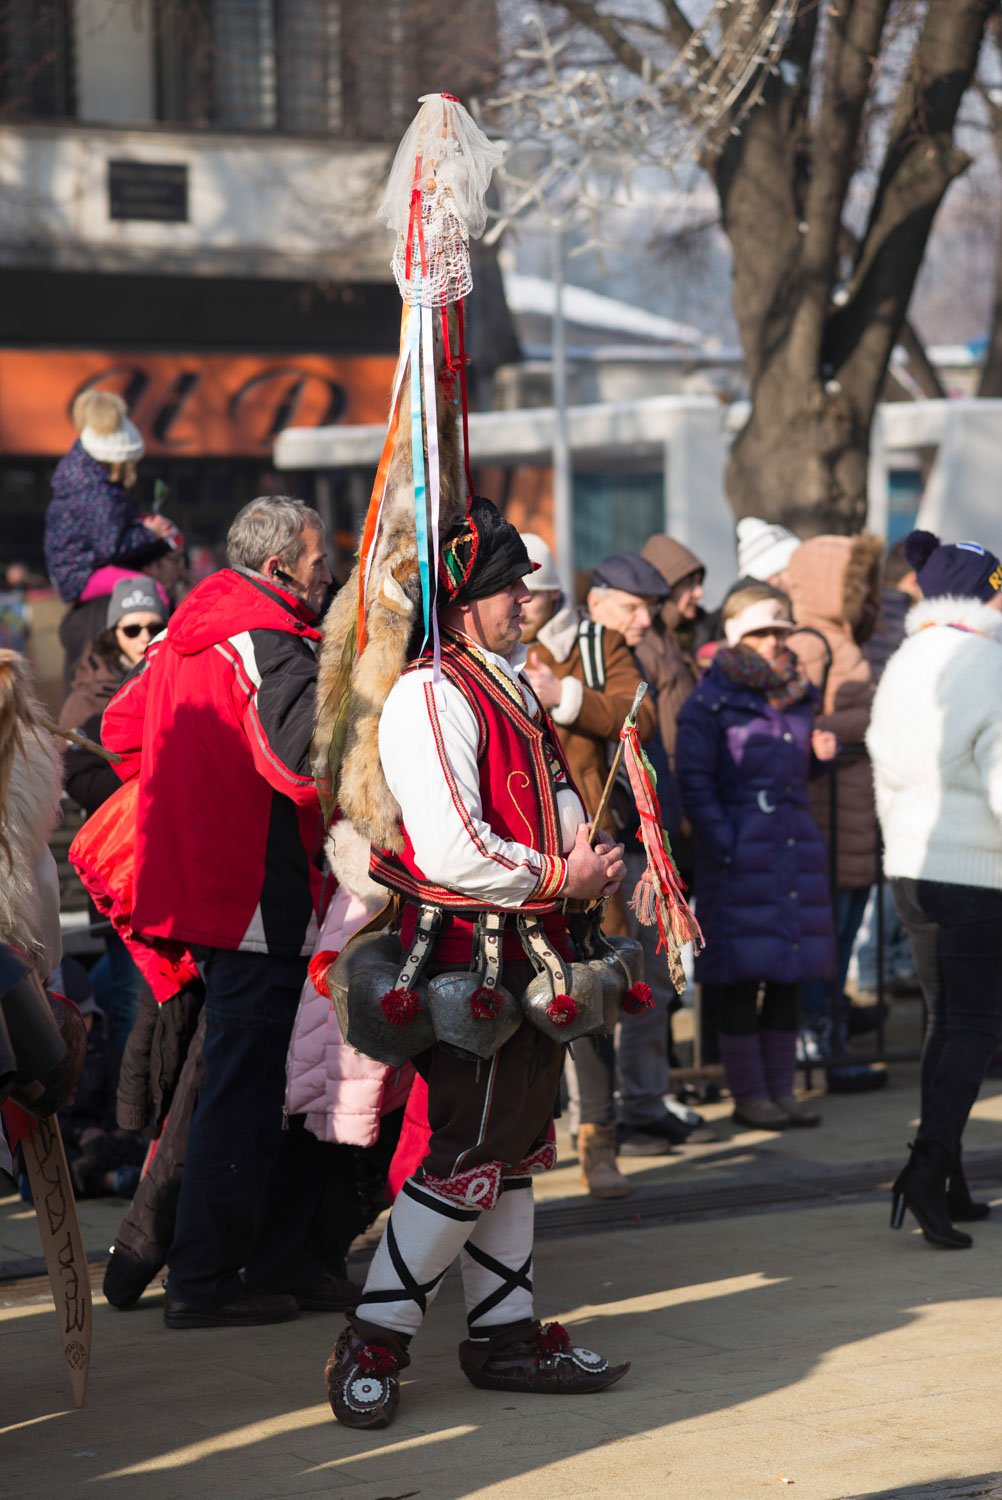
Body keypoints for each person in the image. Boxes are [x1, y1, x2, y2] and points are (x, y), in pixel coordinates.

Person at [323, 497, 631, 1429]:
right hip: (471, 957)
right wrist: (560, 874)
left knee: (514, 1152)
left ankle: (504, 1333)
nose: (525, 601)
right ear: (466, 600)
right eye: (509, 587)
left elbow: (552, 793)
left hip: (530, 949)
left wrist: (589, 851)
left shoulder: (505, 681)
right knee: (467, 1149)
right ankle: (373, 1338)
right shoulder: (430, 691)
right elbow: (454, 849)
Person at [101, 494, 358, 1329]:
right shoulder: (262, 631)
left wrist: (190, 796)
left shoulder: (195, 622)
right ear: (282, 564)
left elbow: (121, 728)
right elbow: (297, 762)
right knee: (247, 1096)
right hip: (248, 893)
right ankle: (207, 1280)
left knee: (242, 1086)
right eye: (320, 561)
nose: (329, 575)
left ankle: (232, 1263)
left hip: (215, 886)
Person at [868, 530, 1002, 1249]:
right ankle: (925, 1171)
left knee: (945, 1024)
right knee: (975, 1028)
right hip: (976, 870)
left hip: (912, 868)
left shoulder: (907, 658)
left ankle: (948, 1179)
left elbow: (880, 760)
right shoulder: (988, 664)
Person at [519, 541, 663, 1197]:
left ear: (552, 595)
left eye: (530, 593)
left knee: (588, 996)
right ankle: (519, 1141)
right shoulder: (474, 647)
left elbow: (641, 715)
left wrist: (566, 695)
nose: (519, 606)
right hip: (512, 850)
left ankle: (597, 1143)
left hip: (584, 853)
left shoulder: (598, 642)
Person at [676, 587, 836, 1129]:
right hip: (743, 851)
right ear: (735, 635)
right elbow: (695, 782)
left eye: (780, 632)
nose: (773, 642)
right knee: (744, 976)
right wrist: (728, 841)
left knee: (789, 972)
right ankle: (751, 1096)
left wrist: (817, 760)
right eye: (761, 632)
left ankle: (782, 1091)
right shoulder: (710, 700)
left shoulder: (798, 694)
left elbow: (788, 772)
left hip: (793, 846)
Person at [786, 531, 887, 1092]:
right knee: (824, 938)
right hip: (826, 813)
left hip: (847, 813)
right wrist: (874, 719)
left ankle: (829, 1042)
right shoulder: (810, 644)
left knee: (841, 938)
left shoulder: (840, 640)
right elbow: (805, 720)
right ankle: (817, 1048)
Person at [44, 390, 174, 690]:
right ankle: (164, 653)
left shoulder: (79, 468)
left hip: (74, 567)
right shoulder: (97, 492)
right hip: (83, 573)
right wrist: (149, 533)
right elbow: (109, 546)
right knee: (150, 589)